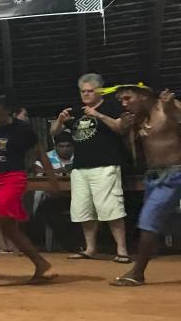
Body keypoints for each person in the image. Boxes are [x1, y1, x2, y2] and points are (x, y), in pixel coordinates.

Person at [0, 95, 61, 290]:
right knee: (9, 229)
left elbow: (40, 153)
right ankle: (41, 264)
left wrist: (52, 180)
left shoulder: (22, 129)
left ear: (8, 112)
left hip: (13, 179)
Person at [51, 73, 132, 263]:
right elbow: (54, 133)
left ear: (99, 91)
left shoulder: (111, 106)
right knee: (84, 210)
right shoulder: (77, 111)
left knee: (112, 209)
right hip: (80, 167)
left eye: (90, 91)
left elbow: (120, 128)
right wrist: (60, 121)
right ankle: (90, 248)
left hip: (105, 165)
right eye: (83, 91)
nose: (86, 94)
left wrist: (98, 115)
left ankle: (122, 250)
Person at [110, 85, 181, 286]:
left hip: (175, 174)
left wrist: (173, 111)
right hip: (153, 176)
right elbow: (129, 143)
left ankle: (137, 273)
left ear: (143, 95)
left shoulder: (167, 107)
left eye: (127, 98)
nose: (124, 104)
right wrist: (126, 129)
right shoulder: (138, 119)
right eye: (121, 100)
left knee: (148, 221)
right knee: (157, 223)